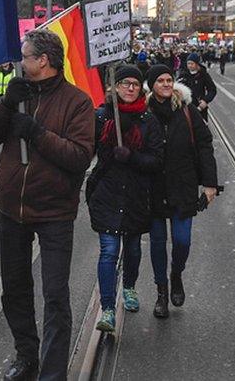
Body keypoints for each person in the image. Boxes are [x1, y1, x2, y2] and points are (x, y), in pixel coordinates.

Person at [0, 29, 95, 381]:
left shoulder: (77, 102)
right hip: (12, 207)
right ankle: (26, 355)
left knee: (55, 296)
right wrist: (5, 104)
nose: (20, 62)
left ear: (42, 61)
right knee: (14, 289)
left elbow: (79, 156)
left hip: (54, 211)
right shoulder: (19, 94)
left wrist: (36, 133)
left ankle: (53, 373)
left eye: (25, 56)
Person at [85, 65, 162, 332]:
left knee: (132, 249)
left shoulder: (147, 120)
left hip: (136, 197)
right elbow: (85, 150)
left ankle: (128, 286)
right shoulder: (102, 116)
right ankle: (107, 309)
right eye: (125, 83)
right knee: (108, 252)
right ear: (114, 86)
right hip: (107, 194)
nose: (130, 88)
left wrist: (132, 157)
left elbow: (156, 160)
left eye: (135, 84)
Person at [144, 65, 218, 318]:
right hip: (153, 187)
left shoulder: (186, 111)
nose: (166, 84)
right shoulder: (144, 112)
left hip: (182, 186)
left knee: (182, 240)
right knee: (156, 243)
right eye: (160, 81)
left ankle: (176, 274)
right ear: (151, 85)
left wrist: (210, 184)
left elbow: (205, 144)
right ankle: (161, 292)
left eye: (169, 80)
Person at [176, 53, 216, 121]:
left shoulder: (203, 75)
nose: (190, 66)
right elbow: (177, 87)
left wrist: (205, 100)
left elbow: (212, 90)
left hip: (199, 107)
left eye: (192, 63)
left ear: (197, 64)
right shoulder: (183, 74)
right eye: (188, 63)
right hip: (186, 107)